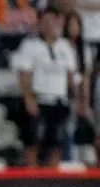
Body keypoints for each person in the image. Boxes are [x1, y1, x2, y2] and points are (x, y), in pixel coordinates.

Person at [13, 6, 84, 167]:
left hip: (59, 99)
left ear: (59, 22)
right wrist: (28, 98)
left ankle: (51, 180)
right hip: (39, 98)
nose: (49, 25)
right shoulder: (30, 45)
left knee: (56, 143)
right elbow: (24, 73)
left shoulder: (65, 47)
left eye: (53, 21)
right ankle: (31, 177)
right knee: (32, 141)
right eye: (45, 21)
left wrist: (77, 97)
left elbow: (71, 76)